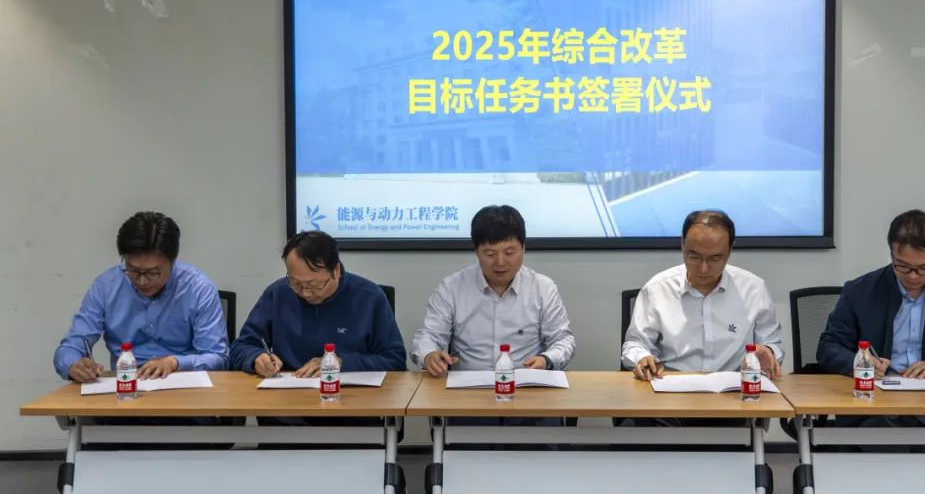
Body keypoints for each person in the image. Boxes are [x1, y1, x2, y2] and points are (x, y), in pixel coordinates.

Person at [816, 209, 925, 432]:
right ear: (891, 254)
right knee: (881, 444)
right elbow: (829, 347)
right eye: (903, 266)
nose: (913, 276)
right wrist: (861, 364)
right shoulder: (860, 291)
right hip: (875, 405)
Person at [54, 211, 228, 382]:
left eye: (153, 273)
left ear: (173, 261)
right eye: (133, 270)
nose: (142, 281)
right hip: (125, 387)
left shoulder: (198, 289)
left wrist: (175, 363)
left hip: (184, 387)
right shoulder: (106, 287)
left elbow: (218, 358)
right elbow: (70, 347)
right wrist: (73, 365)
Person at [411, 205, 575, 375]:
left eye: (509, 252)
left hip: (525, 383)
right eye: (490, 254)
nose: (500, 262)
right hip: (467, 385)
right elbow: (428, 336)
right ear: (476, 252)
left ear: (523, 248)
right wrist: (429, 355)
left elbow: (563, 340)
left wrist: (546, 360)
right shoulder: (452, 288)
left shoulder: (542, 288)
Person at [622, 209, 784, 379]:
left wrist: (769, 352)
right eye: (694, 256)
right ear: (682, 244)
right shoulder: (657, 289)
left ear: (730, 250)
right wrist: (641, 357)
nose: (703, 268)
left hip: (736, 387)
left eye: (715, 258)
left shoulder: (754, 289)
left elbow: (772, 343)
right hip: (671, 385)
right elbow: (635, 344)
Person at [231, 230, 406, 377]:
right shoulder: (278, 293)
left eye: (314, 285)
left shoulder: (369, 297)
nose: (305, 293)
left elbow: (394, 360)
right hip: (288, 398)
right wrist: (255, 358)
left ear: (336, 270)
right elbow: (241, 347)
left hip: (351, 400)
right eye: (295, 283)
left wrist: (342, 363)